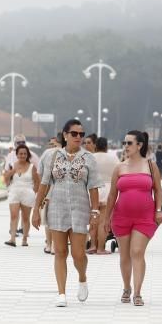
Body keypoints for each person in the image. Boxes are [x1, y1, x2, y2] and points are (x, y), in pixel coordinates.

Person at [32, 119, 100, 307]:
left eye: (81, 134)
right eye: (74, 134)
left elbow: (93, 187)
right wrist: (36, 211)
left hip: (79, 209)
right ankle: (61, 293)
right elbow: (44, 184)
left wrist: (95, 212)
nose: (78, 137)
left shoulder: (88, 158)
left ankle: (82, 277)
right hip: (57, 208)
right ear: (65, 135)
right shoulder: (52, 156)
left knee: (78, 253)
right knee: (60, 251)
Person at [103, 130, 162, 306]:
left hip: (145, 217)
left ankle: (137, 292)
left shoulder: (151, 166)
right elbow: (112, 195)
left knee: (137, 252)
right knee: (124, 254)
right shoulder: (119, 167)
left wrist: (158, 210)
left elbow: (158, 190)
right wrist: (106, 218)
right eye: (125, 143)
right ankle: (126, 287)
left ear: (140, 145)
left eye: (129, 143)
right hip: (121, 216)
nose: (126, 146)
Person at [4, 145, 39, 247]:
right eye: (20, 154)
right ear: (17, 155)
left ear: (27, 155)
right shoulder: (12, 165)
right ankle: (12, 238)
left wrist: (34, 192)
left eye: (24, 154)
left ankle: (24, 238)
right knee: (14, 215)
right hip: (14, 190)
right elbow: (6, 179)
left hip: (27, 192)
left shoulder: (32, 167)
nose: (22, 155)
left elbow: (37, 181)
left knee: (25, 218)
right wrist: (12, 171)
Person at [90, 137, 120, 254]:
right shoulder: (113, 158)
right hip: (108, 189)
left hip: (93, 189)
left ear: (95, 146)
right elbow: (119, 173)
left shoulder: (90, 157)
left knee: (93, 219)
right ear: (106, 146)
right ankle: (101, 248)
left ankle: (92, 245)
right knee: (104, 221)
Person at [37, 134, 64, 254]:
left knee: (49, 218)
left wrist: (41, 191)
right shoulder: (70, 153)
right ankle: (56, 245)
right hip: (63, 189)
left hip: (48, 188)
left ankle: (49, 244)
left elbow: (40, 173)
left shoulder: (47, 153)